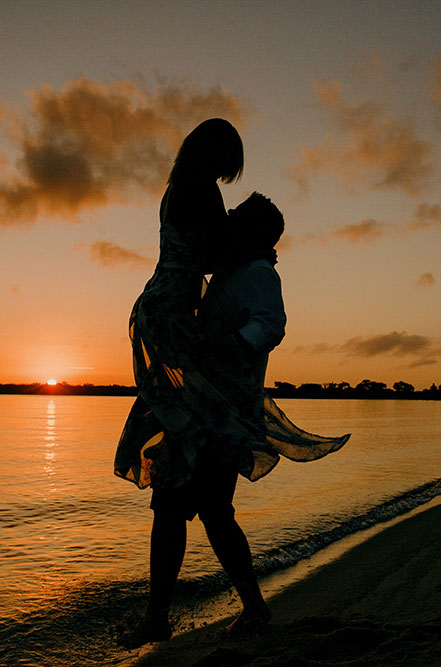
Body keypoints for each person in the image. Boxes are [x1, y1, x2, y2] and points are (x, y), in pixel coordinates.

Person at [114, 120, 349, 647]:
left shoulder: (256, 272)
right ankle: (166, 616)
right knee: (175, 504)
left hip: (222, 404)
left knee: (209, 511)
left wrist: (224, 346)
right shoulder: (222, 256)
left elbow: (270, 326)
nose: (228, 215)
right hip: (201, 395)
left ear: (251, 235)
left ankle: (240, 609)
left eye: (236, 218)